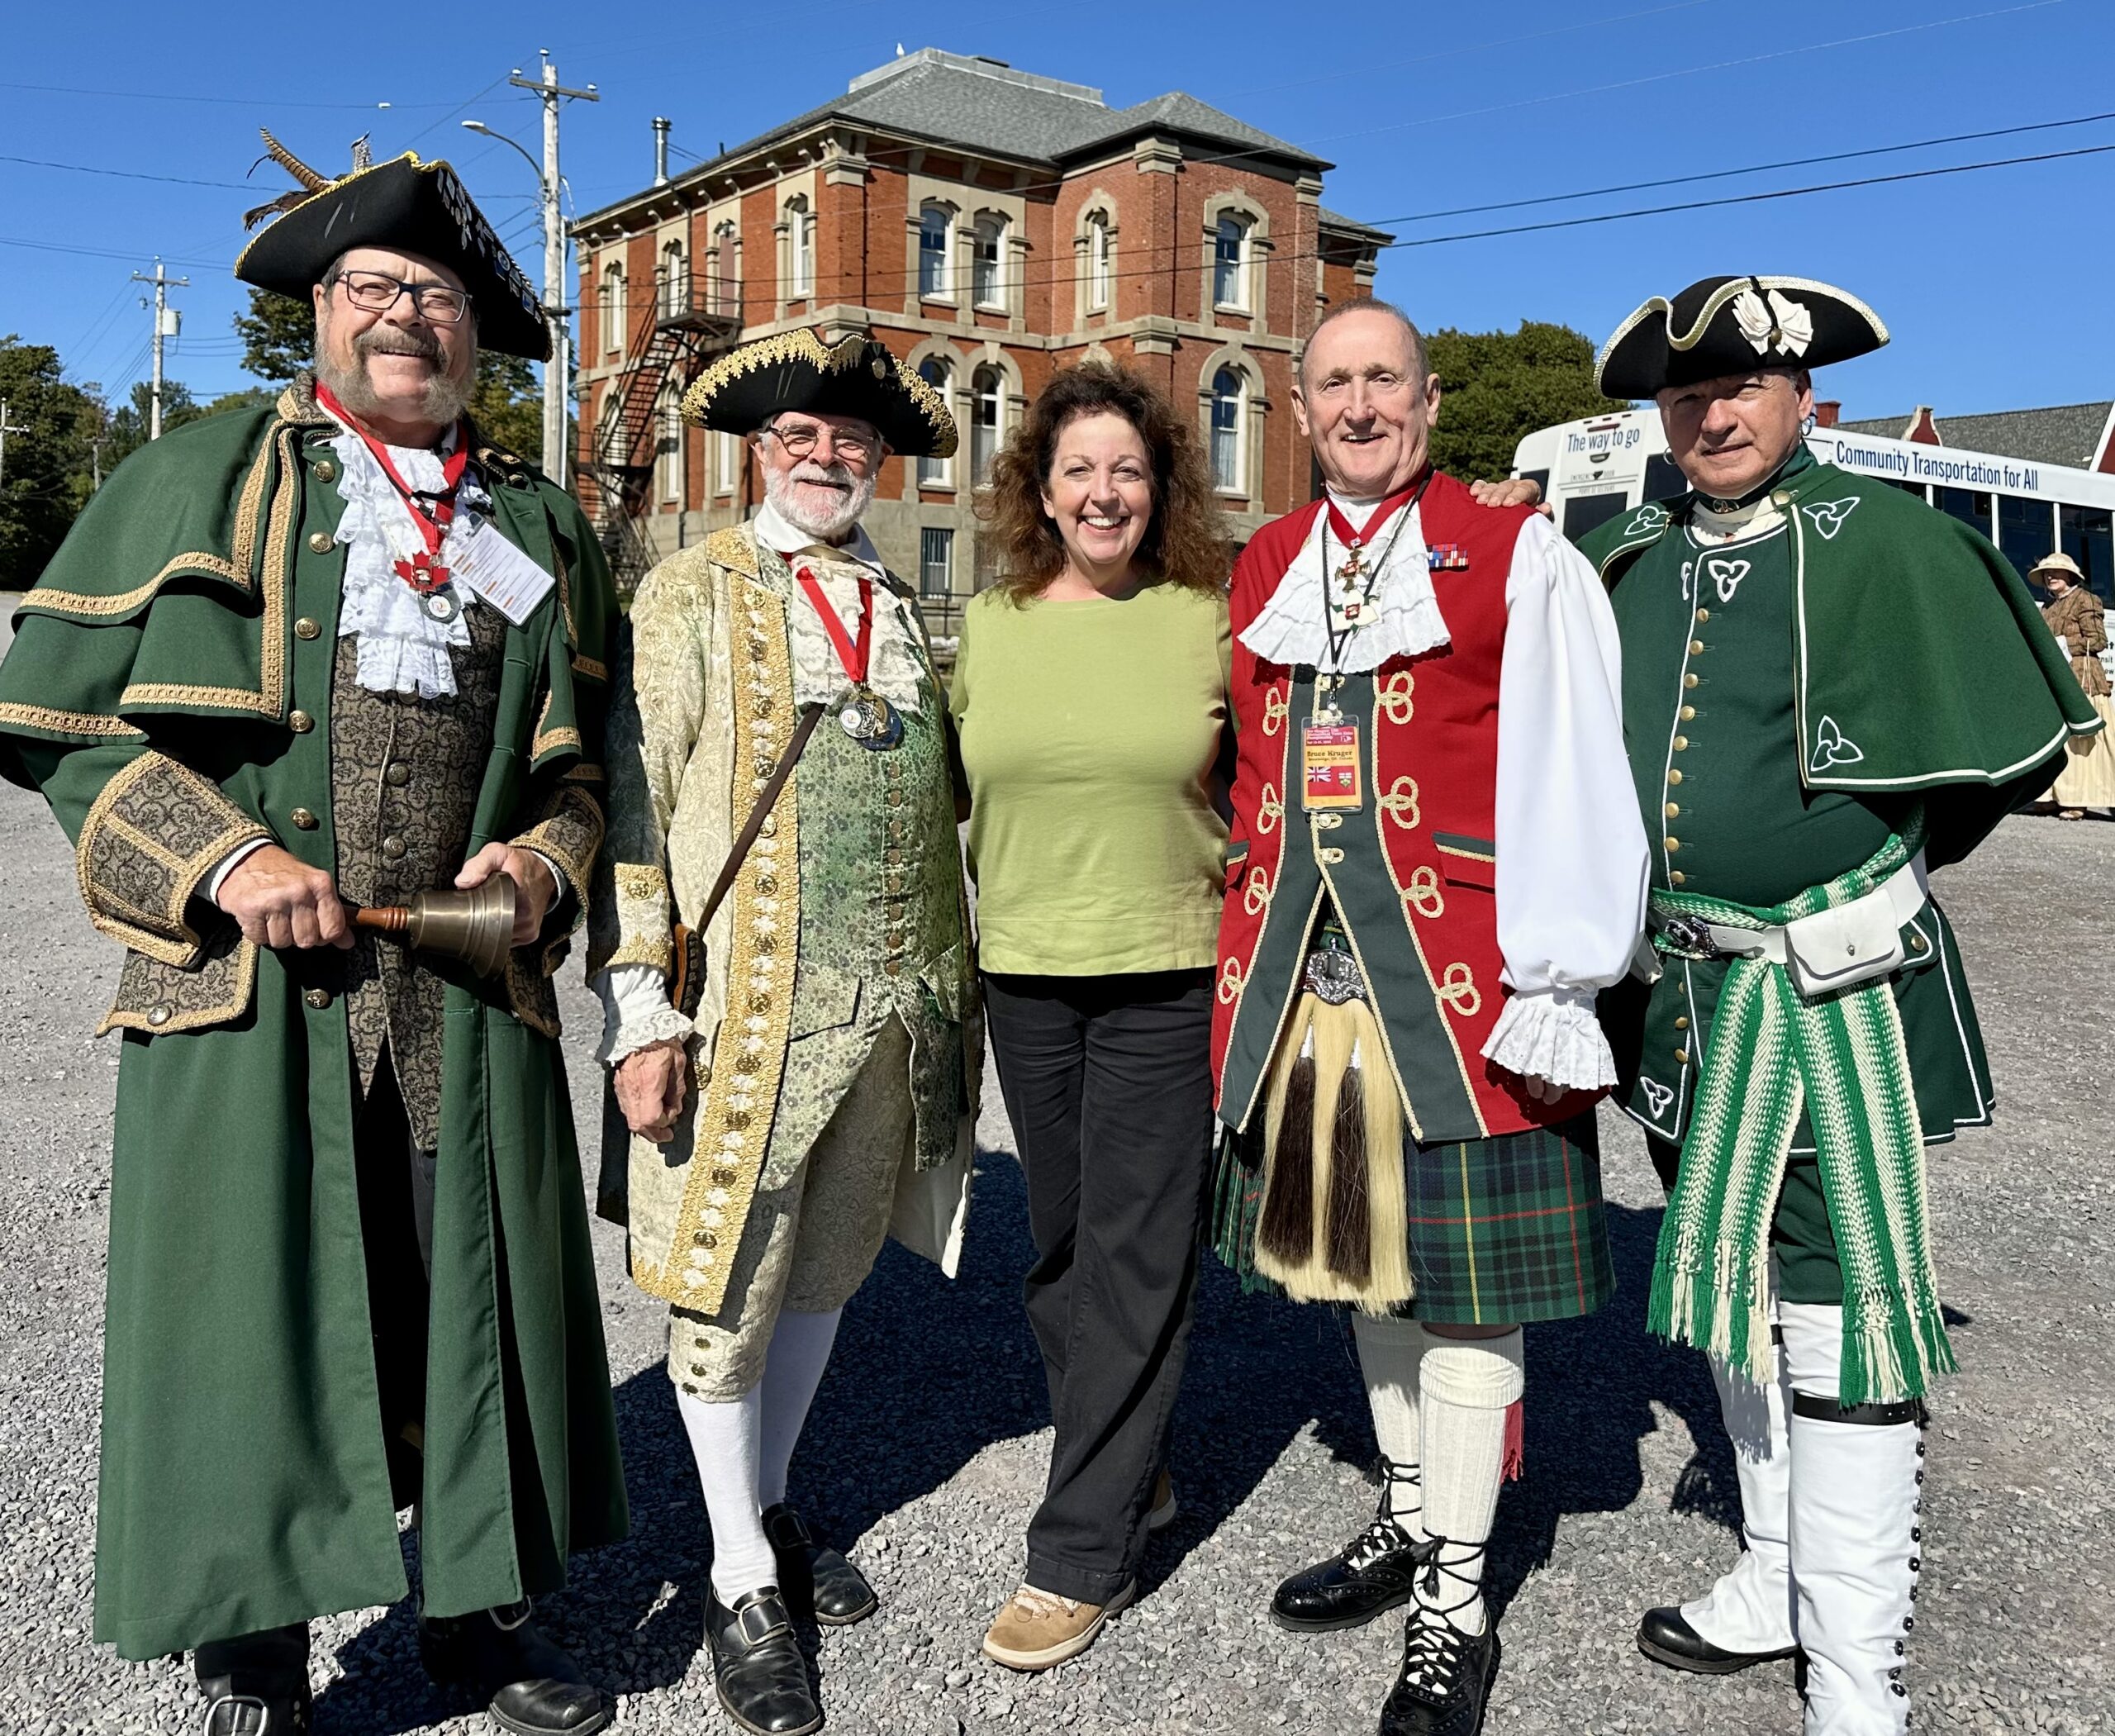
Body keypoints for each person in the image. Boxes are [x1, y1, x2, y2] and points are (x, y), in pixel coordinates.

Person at [0, 132, 626, 1735]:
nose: (404, 313)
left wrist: (545, 870)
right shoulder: (203, 473)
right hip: (250, 997)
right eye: (370, 286)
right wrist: (215, 860)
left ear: (478, 336)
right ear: (317, 315)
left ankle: (474, 1623)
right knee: (253, 1315)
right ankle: (255, 1656)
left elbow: (580, 776)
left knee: (459, 1304)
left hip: (464, 998)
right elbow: (47, 718)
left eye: (435, 292)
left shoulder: (542, 530)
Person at [1581, 274, 2099, 1735]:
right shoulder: (1623, 553)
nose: (1715, 411)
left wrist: (1874, 871)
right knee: (1728, 1272)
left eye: (1744, 386)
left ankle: (1859, 1672)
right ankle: (1772, 1569)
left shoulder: (1893, 542)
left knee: (1839, 1299)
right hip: (1677, 989)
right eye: (1688, 394)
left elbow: (2006, 759)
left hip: (1826, 990)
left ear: (1806, 395)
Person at [1209, 297, 1649, 1736]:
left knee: (1465, 1301)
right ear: (1297, 404)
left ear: (1430, 399)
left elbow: (1579, 774)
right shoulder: (1263, 564)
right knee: (1365, 1270)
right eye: (1332, 381)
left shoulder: (1524, 558)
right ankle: (1406, 1513)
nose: (1357, 405)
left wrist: (1564, 978)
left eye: (1382, 379)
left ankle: (1457, 1597)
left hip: (1466, 996)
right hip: (1306, 995)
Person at [590, 328, 976, 1736]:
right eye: (803, 438)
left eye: (853, 442)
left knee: (823, 1267)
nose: (829, 458)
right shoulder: (692, 591)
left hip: (894, 1005)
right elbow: (638, 812)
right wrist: (641, 1002)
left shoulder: (895, 595)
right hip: (746, 1006)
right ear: (759, 454)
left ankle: (767, 1501)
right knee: (726, 1286)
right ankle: (739, 1571)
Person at [947, 362, 1231, 1671]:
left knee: (1137, 1251)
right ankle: (1137, 1465)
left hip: (1169, 970)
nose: (1104, 490)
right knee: (1060, 1246)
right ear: (1042, 494)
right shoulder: (989, 625)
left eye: (1127, 468)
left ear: (1157, 486)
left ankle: (1080, 1550)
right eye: (1079, 471)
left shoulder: (1208, 619)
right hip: (1027, 972)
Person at [2032, 552, 2114, 818]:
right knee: (2056, 740)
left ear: (2069, 575)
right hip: (2054, 683)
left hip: (2083, 680)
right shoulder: (2047, 608)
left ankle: (2077, 800)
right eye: (2046, 573)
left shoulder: (2086, 600)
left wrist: (2065, 645)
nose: (2050, 576)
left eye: (2055, 572)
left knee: (2081, 743)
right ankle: (2049, 796)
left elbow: (2098, 640)